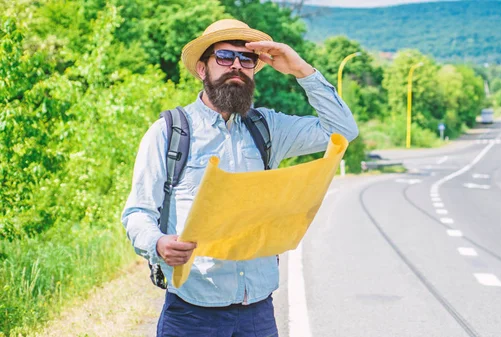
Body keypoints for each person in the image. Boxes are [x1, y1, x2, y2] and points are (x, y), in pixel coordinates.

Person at [121, 19, 358, 337]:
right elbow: (138, 213)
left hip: (258, 313)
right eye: (224, 56)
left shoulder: (268, 128)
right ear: (202, 69)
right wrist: (158, 243)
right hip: (192, 313)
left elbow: (342, 131)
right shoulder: (170, 132)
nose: (236, 65)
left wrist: (302, 70)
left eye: (246, 58)